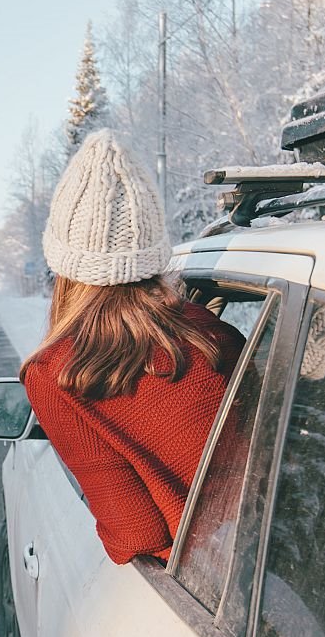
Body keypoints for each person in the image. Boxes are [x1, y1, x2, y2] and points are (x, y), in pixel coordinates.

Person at [20, 129, 246, 565]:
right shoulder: (214, 336)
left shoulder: (56, 375)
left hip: (200, 578)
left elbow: (137, 535)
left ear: (64, 265)